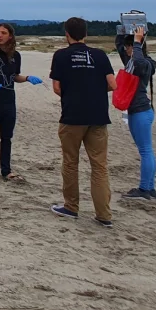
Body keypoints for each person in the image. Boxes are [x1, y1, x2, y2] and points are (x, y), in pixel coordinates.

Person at [49, 17, 117, 227]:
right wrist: (94, 91)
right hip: (97, 116)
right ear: (85, 34)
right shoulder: (99, 55)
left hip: (72, 117)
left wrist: (76, 91)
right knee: (99, 166)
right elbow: (112, 84)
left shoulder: (61, 55)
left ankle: (71, 206)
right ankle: (104, 214)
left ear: (67, 34)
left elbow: (57, 88)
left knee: (70, 162)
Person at [0, 23, 43, 184]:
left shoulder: (15, 56)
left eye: (3, 33)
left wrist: (26, 78)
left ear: (10, 36)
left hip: (9, 100)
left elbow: (14, 77)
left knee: (7, 137)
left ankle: (6, 170)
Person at [116, 25, 156, 201]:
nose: (125, 49)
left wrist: (138, 41)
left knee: (146, 151)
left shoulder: (145, 64)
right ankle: (148, 188)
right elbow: (119, 45)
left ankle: (146, 189)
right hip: (140, 111)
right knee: (146, 150)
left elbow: (139, 62)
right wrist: (125, 28)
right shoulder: (131, 63)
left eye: (129, 46)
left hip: (141, 112)